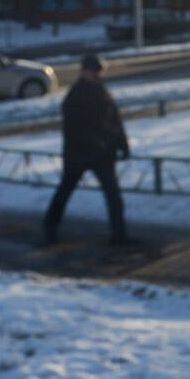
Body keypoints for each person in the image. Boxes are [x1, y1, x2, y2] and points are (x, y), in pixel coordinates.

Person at [43, 54, 130, 245]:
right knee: (65, 192)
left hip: (102, 154)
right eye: (93, 71)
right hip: (79, 155)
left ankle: (119, 235)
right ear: (84, 72)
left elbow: (115, 119)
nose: (97, 74)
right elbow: (73, 128)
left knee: (113, 195)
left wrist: (122, 144)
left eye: (99, 71)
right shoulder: (75, 95)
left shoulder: (102, 91)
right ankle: (49, 228)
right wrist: (95, 142)